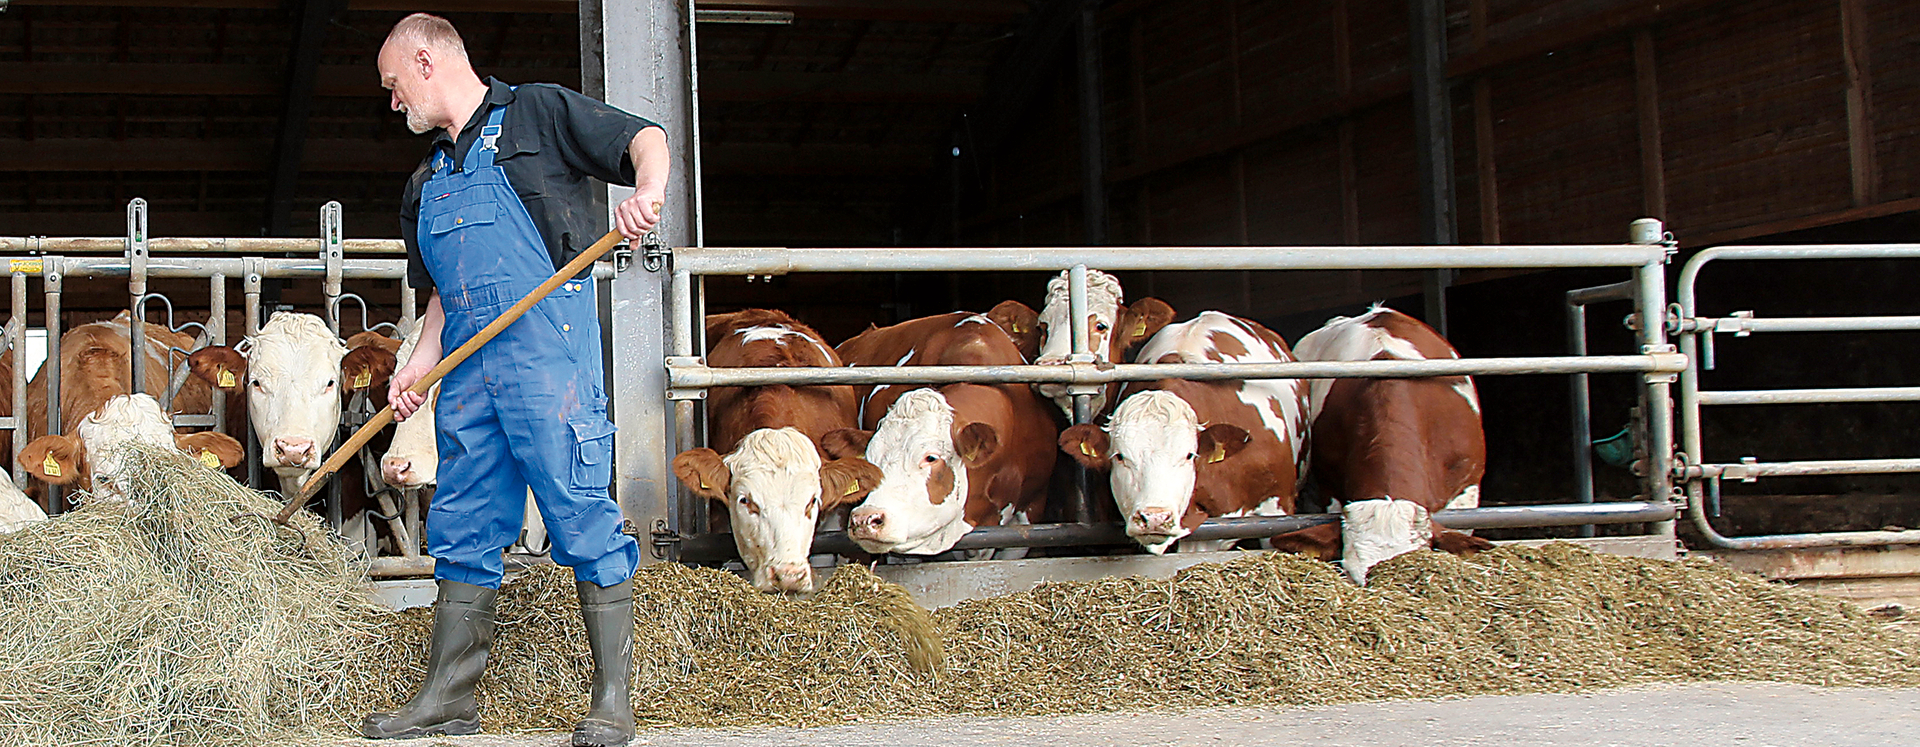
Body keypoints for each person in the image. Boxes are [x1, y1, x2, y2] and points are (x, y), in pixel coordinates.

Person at [363, 13, 667, 747]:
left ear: (426, 61)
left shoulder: (538, 113)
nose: (393, 101)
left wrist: (647, 193)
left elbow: (646, 138)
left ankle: (613, 699)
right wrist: (419, 363)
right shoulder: (424, 182)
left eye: (394, 84)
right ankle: (448, 698)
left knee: (580, 512)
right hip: (468, 371)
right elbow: (443, 293)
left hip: (547, 361)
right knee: (461, 521)